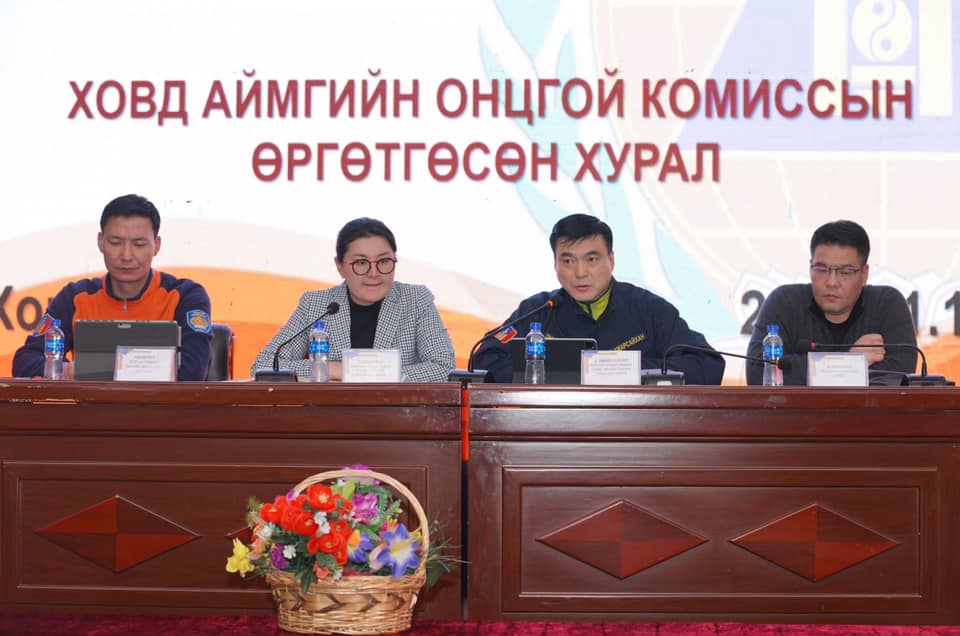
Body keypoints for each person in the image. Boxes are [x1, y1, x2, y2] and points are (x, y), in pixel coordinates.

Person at [472, 213, 725, 384]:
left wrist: (624, 369)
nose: (580, 272)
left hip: (635, 432)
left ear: (611, 260)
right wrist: (557, 372)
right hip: (555, 430)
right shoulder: (537, 310)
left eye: (591, 259)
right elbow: (485, 358)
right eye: (568, 261)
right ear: (555, 264)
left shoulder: (649, 309)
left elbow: (707, 364)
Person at [12, 194, 213, 380]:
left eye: (139, 244)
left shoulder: (185, 296)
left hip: (160, 407)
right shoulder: (75, 297)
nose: (126, 256)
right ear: (101, 242)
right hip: (92, 408)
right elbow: (25, 360)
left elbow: (194, 371)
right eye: (115, 242)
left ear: (157, 245)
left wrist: (90, 372)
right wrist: (67, 371)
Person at [251, 217, 455, 382]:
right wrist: (334, 369)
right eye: (361, 263)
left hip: (399, 417)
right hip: (331, 417)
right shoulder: (316, 305)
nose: (374, 273)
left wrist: (359, 372)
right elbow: (264, 365)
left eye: (384, 261)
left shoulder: (416, 300)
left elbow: (444, 368)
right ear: (340, 266)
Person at [746, 220, 917, 385]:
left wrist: (819, 371)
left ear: (864, 274)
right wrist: (849, 361)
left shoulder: (887, 304)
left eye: (845, 272)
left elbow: (899, 378)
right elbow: (758, 373)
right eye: (821, 269)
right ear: (810, 267)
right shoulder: (784, 302)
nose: (832, 282)